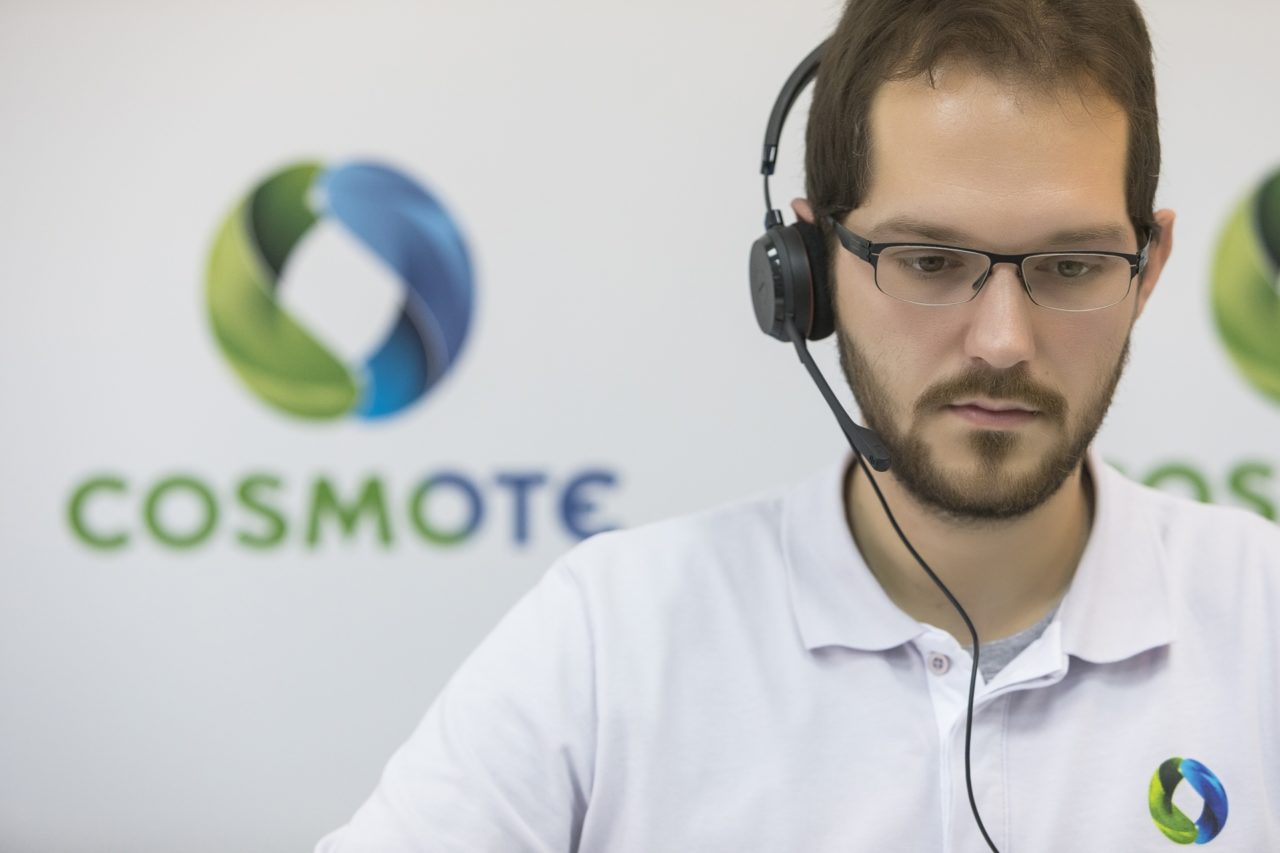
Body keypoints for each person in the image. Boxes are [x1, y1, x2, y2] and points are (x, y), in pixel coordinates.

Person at [318, 1, 1280, 850]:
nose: (1001, 341)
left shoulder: (1261, 621)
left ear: (1147, 271)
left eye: (1070, 267)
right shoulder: (612, 639)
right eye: (928, 260)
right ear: (807, 271)